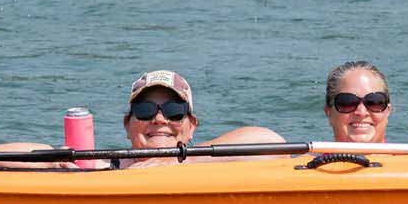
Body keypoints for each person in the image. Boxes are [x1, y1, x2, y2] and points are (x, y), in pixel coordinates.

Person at [119, 70, 283, 168]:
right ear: (127, 125)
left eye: (174, 110)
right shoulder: (108, 166)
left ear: (191, 127)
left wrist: (177, 161)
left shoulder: (208, 163)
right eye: (145, 110)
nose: (160, 119)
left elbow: (274, 143)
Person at [323, 60, 392, 143]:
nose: (361, 113)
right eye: (347, 102)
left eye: (374, 102)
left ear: (387, 111)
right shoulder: (308, 156)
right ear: (329, 113)